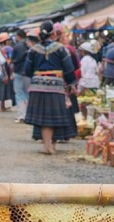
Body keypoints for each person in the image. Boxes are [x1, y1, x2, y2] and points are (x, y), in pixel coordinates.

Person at [24, 20, 77, 155]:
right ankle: (50, 146)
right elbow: (69, 68)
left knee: (44, 118)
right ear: (53, 33)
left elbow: (27, 70)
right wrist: (71, 84)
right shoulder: (60, 48)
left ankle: (47, 146)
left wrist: (38, 76)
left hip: (37, 87)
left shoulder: (33, 50)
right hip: (56, 86)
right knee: (54, 116)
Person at [11, 29, 31, 121]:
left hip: (18, 72)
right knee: (28, 94)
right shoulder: (29, 45)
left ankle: (22, 114)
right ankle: (29, 114)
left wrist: (11, 72)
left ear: (18, 36)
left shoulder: (16, 46)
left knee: (19, 94)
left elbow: (12, 61)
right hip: (28, 73)